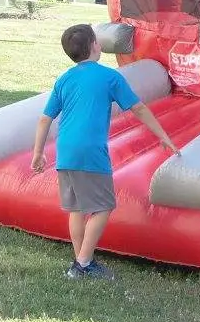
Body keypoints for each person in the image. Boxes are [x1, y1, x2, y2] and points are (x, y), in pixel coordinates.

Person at [31, 24, 182, 280]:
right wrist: (164, 137)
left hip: (65, 150)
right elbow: (139, 109)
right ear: (94, 46)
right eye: (98, 42)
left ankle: (79, 263)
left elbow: (45, 119)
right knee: (103, 207)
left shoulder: (65, 79)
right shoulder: (108, 76)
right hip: (91, 151)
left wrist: (38, 153)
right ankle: (83, 264)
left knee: (77, 209)